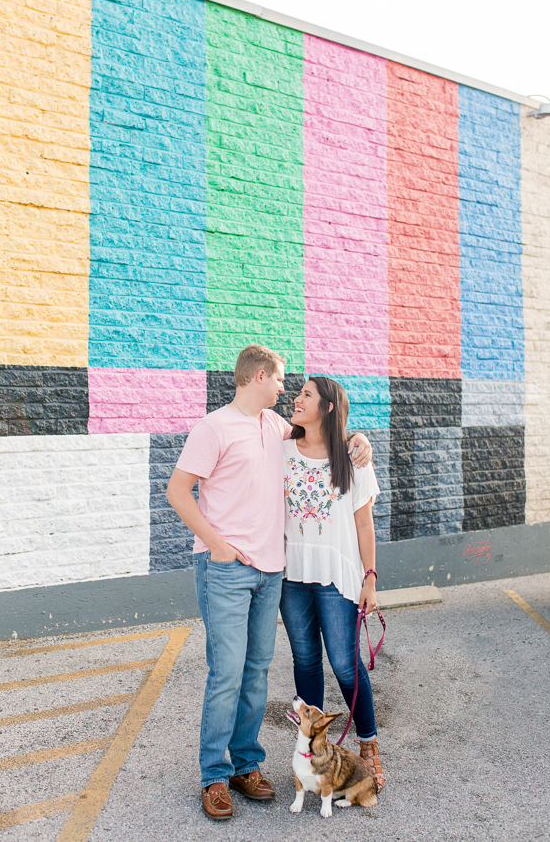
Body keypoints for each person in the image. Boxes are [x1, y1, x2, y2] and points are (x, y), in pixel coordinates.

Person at [166, 344, 371, 821]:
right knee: (226, 674)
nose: (285, 388)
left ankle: (245, 764)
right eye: (281, 380)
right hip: (226, 570)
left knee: (256, 672)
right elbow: (177, 490)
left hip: (271, 572)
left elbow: (324, 434)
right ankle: (214, 777)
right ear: (259, 376)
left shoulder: (276, 428)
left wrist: (358, 438)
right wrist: (216, 544)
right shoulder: (213, 427)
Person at [280, 375, 384, 792]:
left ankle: (369, 743)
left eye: (306, 394)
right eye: (298, 392)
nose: (296, 398)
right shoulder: (282, 450)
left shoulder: (352, 456)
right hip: (292, 574)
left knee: (344, 662)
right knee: (305, 660)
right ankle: (314, 753)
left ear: (325, 407)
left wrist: (371, 579)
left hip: (338, 574)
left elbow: (364, 523)